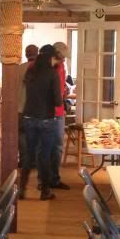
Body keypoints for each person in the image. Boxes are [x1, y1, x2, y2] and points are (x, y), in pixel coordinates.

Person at [20, 45, 63, 201]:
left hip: (29, 117)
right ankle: (45, 191)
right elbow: (58, 102)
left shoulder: (30, 71)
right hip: (46, 119)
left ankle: (21, 190)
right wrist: (60, 95)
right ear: (51, 57)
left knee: (28, 155)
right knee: (44, 156)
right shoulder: (52, 74)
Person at [49, 41, 71, 190]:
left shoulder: (61, 66)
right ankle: (44, 181)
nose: (63, 59)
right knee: (46, 146)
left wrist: (64, 95)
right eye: (62, 56)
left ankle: (54, 179)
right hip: (47, 112)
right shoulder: (46, 67)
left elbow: (61, 86)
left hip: (58, 111)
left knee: (57, 147)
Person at [17, 44, 39, 167]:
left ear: (26, 54)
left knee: (22, 135)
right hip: (36, 109)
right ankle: (34, 161)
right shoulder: (42, 68)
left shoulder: (18, 69)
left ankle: (24, 160)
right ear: (37, 53)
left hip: (20, 108)